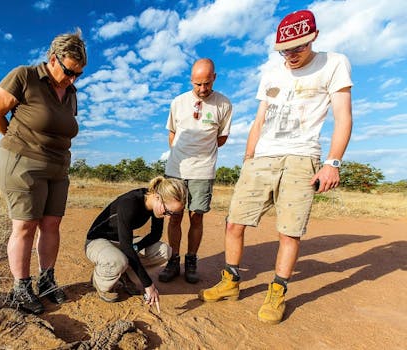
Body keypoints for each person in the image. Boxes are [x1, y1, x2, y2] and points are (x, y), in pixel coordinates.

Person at [198, 9, 353, 325]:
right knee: (233, 223)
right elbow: (259, 120)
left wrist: (332, 163)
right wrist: (248, 159)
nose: (291, 55)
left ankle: (277, 292)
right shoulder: (271, 71)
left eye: (299, 47)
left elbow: (343, 117)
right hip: (262, 158)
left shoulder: (334, 63)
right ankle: (230, 282)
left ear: (314, 38)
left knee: (289, 232)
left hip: (302, 158)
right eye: (285, 49)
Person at [0, 29, 87, 315]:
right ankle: (21, 287)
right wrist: (18, 145)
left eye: (78, 74)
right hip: (23, 162)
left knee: (52, 224)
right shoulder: (25, 76)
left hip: (58, 167)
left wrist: (69, 84)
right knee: (25, 225)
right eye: (69, 72)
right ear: (53, 59)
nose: (72, 79)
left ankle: (47, 280)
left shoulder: (71, 93)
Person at [159, 58, 233, 284]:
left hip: (203, 171)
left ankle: (191, 261)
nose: (202, 89)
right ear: (191, 80)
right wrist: (182, 155)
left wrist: (201, 154)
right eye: (198, 84)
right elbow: (172, 135)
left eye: (207, 84)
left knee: (196, 216)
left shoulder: (224, 104)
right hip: (176, 169)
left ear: (214, 79)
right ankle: (173, 260)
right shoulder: (178, 102)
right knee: (174, 217)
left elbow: (221, 138)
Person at [85, 176, 188, 308]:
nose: (168, 217)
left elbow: (155, 235)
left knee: (164, 251)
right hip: (98, 240)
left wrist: (137, 246)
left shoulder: (157, 206)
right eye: (167, 212)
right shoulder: (130, 203)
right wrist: (148, 285)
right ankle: (100, 281)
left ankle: (123, 275)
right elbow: (126, 248)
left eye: (173, 214)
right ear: (157, 197)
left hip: (122, 241)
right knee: (118, 260)